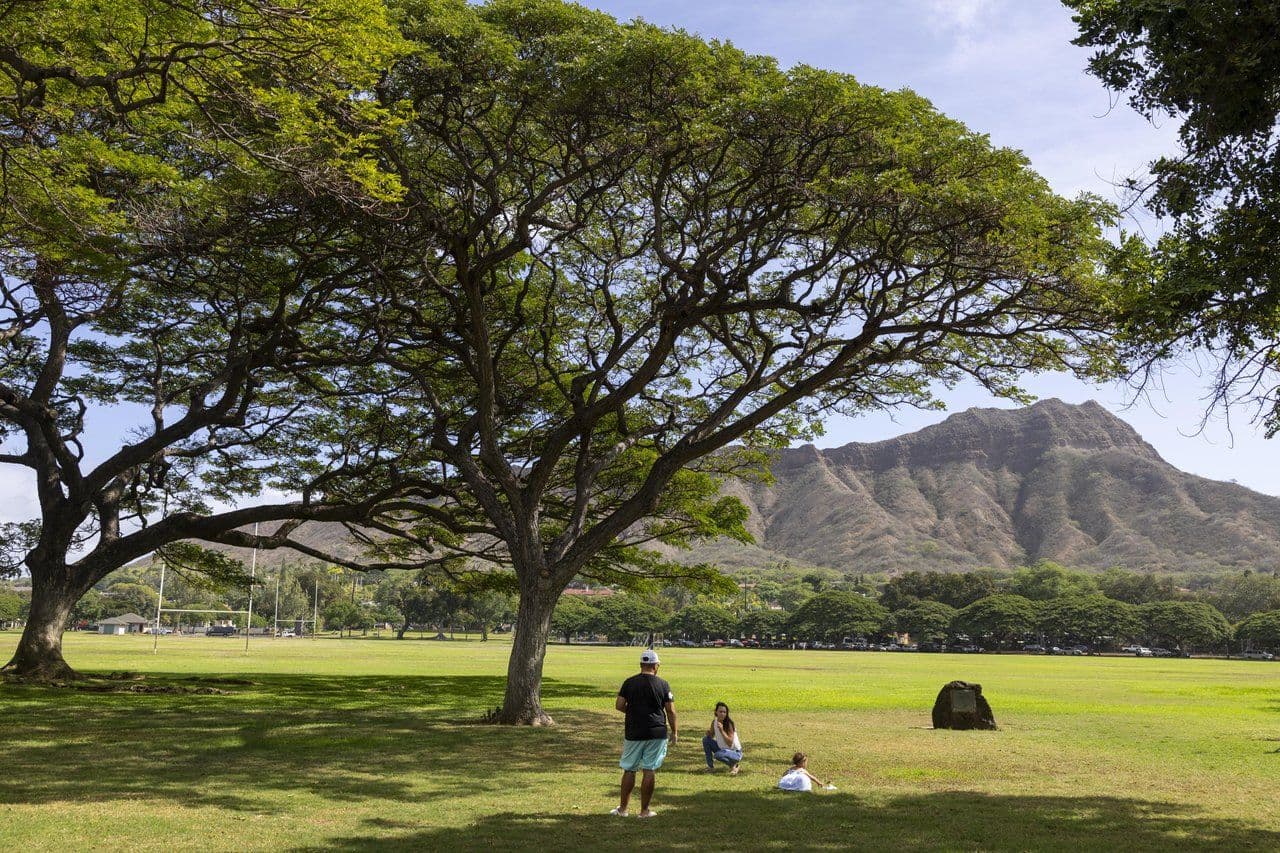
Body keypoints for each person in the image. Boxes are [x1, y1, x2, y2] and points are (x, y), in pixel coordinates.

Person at [611, 649, 677, 818]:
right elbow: (670, 711)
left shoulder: (629, 682)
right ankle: (644, 811)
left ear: (641, 665)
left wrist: (633, 713)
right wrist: (675, 731)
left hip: (634, 731)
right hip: (656, 732)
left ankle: (623, 809)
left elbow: (619, 705)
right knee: (649, 769)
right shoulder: (663, 684)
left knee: (629, 769)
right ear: (656, 666)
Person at [701, 701, 743, 774]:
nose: (722, 714)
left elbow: (730, 743)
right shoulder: (714, 722)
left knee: (717, 755)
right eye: (720, 711)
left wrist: (722, 730)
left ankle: (734, 765)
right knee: (705, 740)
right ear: (716, 712)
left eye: (724, 712)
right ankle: (710, 767)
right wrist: (709, 734)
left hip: (735, 753)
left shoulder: (729, 724)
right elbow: (711, 735)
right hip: (723, 749)